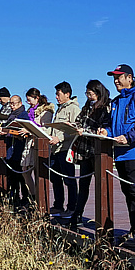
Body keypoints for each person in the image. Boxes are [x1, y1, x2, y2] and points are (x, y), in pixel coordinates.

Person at [98, 64, 135, 249]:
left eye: (119, 76)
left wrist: (128, 137)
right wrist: (105, 131)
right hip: (121, 153)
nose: (116, 80)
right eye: (114, 77)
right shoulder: (115, 102)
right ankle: (134, 230)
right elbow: (111, 124)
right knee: (128, 193)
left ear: (130, 78)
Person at [62, 79, 111, 229]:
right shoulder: (86, 107)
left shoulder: (105, 108)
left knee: (101, 184)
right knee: (83, 184)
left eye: (90, 94)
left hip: (97, 150)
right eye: (87, 94)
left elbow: (103, 129)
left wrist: (86, 131)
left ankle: (103, 219)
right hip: (84, 150)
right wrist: (73, 126)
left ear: (98, 93)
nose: (88, 96)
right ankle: (77, 214)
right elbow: (79, 121)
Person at [48, 81, 81, 216]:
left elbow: (75, 129)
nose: (56, 97)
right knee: (55, 178)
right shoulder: (60, 108)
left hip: (65, 149)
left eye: (58, 94)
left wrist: (60, 138)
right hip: (55, 150)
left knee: (69, 180)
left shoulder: (73, 109)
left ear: (67, 94)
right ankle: (58, 205)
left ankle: (72, 207)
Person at [21, 88, 54, 201]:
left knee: (38, 171)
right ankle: (33, 195)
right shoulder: (30, 111)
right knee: (25, 170)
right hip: (29, 143)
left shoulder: (46, 111)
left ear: (37, 98)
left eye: (30, 100)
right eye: (27, 101)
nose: (28, 103)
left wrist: (30, 130)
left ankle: (39, 198)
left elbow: (46, 128)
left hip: (39, 144)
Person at [0, 95, 29, 206]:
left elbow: (24, 131)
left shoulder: (23, 115)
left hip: (19, 147)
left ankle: (25, 198)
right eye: (10, 103)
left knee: (21, 175)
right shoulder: (11, 115)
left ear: (20, 103)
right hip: (10, 147)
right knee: (12, 174)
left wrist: (10, 131)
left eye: (14, 103)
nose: (12, 106)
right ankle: (14, 196)